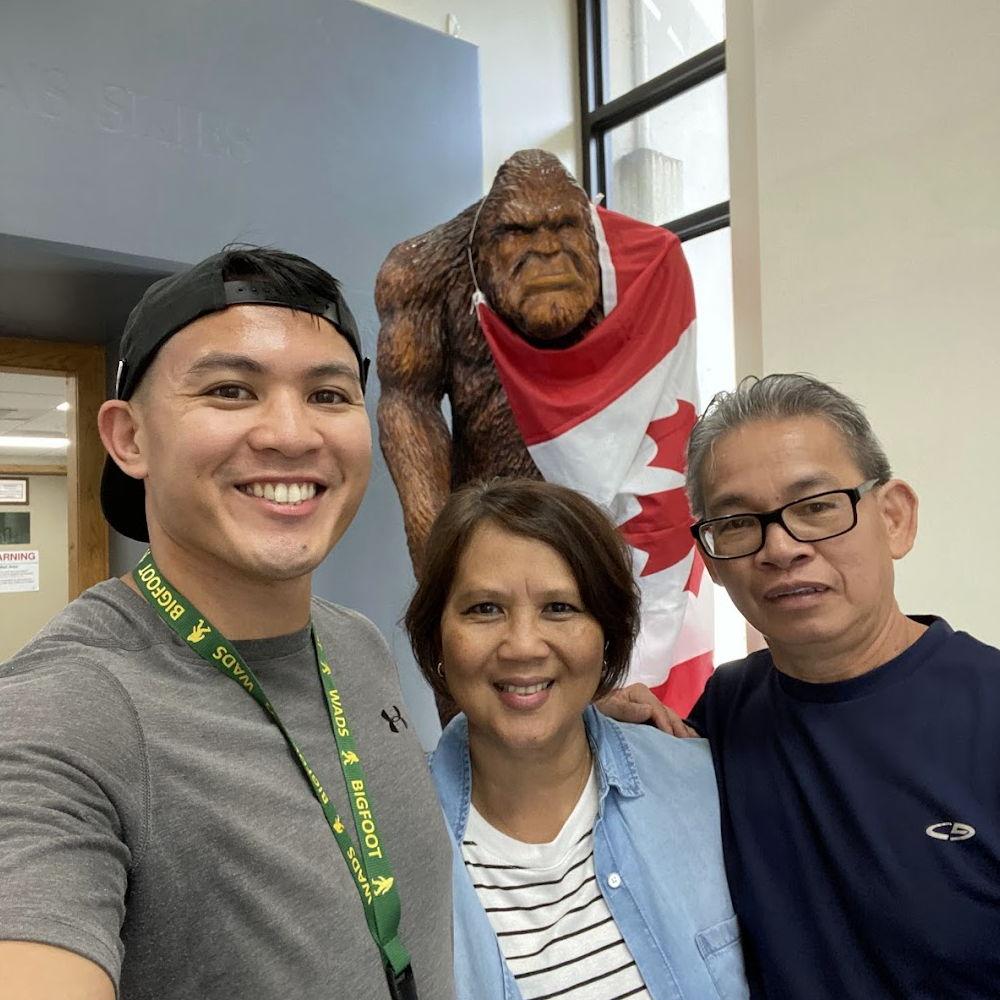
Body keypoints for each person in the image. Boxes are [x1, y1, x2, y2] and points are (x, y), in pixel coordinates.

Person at [0, 248, 453, 1000]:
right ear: (129, 438)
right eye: (231, 390)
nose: (292, 434)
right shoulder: (65, 714)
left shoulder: (358, 644)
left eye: (329, 395)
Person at [617, 373, 1000, 998]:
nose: (780, 547)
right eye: (738, 523)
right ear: (711, 562)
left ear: (895, 518)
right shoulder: (726, 710)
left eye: (816, 507)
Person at [404, 478, 749, 1000]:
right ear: (437, 637)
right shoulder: (390, 843)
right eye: (485, 608)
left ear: (607, 633)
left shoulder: (707, 785)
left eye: (560, 608)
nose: (523, 646)